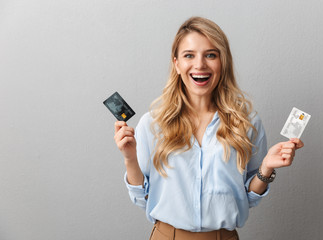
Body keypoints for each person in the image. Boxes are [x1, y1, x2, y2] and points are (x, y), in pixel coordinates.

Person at [114, 16, 304, 240]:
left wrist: (267, 167)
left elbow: (249, 197)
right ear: (176, 64)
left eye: (210, 55)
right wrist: (129, 158)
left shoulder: (247, 122)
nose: (200, 65)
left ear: (223, 62)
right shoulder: (153, 123)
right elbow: (141, 197)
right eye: (189, 55)